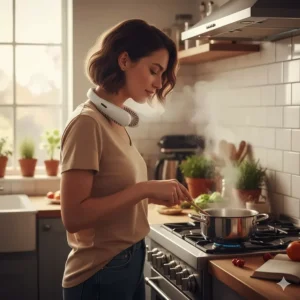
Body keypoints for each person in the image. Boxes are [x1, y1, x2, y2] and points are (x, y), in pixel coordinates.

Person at [60, 19, 193, 300]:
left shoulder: (115, 120)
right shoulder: (87, 123)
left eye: (163, 74)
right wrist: (143, 189)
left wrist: (151, 193)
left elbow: (112, 192)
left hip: (128, 260)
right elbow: (73, 217)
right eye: (154, 71)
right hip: (100, 271)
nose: (159, 83)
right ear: (124, 60)